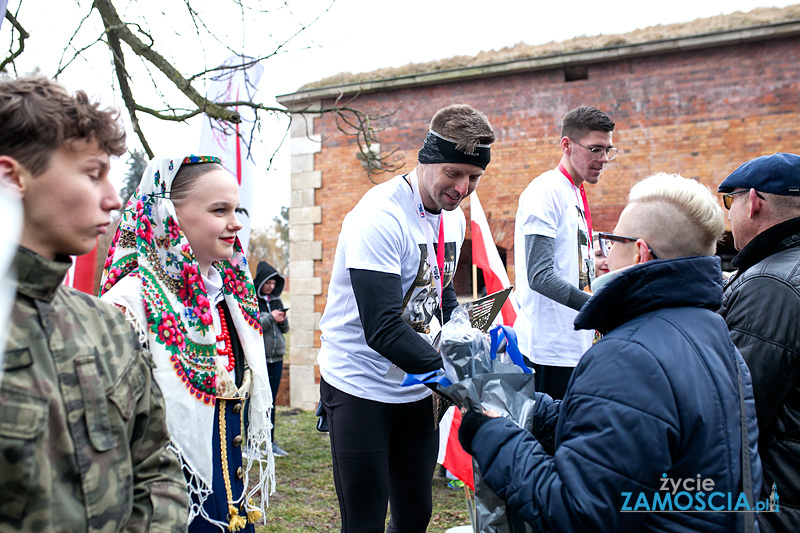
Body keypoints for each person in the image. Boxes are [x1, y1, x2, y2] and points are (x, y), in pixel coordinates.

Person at [460, 173, 761, 532]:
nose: (602, 253)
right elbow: (640, 429)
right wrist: (536, 409)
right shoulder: (714, 335)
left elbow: (579, 512)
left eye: (610, 241)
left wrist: (491, 435)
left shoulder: (627, 356)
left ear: (640, 252)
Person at [0, 75, 189, 530]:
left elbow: (157, 467)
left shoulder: (107, 325)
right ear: (12, 177)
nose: (114, 198)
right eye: (92, 173)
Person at [317, 104, 495, 532]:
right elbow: (381, 328)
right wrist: (461, 383)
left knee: (415, 515)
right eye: (453, 172)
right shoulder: (379, 217)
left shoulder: (451, 218)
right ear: (427, 157)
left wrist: (469, 337)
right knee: (365, 521)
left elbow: (441, 292)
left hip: (415, 389)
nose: (461, 187)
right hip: (359, 384)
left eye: (473, 177)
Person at [100, 155, 275, 532]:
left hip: (227, 497)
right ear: (169, 216)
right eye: (219, 210)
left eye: (237, 209)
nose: (236, 224)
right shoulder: (130, 302)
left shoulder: (231, 299)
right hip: (163, 504)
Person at [717, 152, 800, 532]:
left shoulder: (769, 286)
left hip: (776, 500)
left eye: (729, 202)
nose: (728, 216)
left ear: (752, 202)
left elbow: (734, 413)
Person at [513, 105, 616, 399]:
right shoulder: (546, 191)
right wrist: (599, 309)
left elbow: (572, 270)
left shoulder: (574, 191)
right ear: (567, 145)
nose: (604, 159)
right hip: (549, 352)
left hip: (575, 346)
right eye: (596, 149)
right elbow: (540, 275)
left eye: (609, 150)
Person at [253, 261, 290, 458]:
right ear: (261, 282)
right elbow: (252, 324)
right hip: (259, 359)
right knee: (255, 401)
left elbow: (285, 329)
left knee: (271, 401)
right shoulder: (252, 300)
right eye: (268, 283)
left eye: (274, 284)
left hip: (276, 358)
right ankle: (252, 444)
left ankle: (270, 442)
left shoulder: (276, 301)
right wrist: (269, 318)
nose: (271, 287)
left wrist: (282, 320)